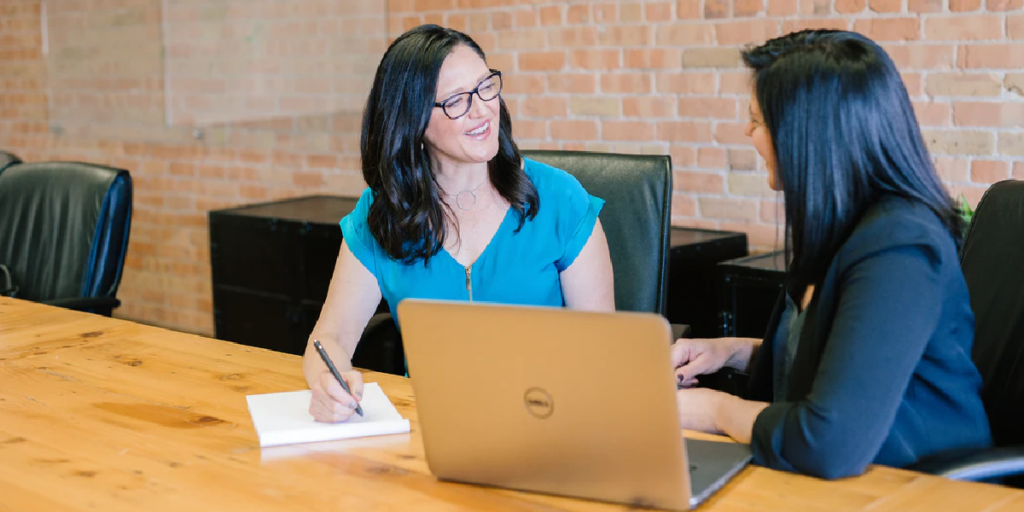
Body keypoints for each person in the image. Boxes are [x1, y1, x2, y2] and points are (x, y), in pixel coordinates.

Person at [670, 30, 992, 479]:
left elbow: (828, 442)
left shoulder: (900, 248)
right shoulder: (841, 226)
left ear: (807, 136)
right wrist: (731, 352)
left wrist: (716, 411)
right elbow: (836, 359)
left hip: (918, 485)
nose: (747, 132)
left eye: (757, 120)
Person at [302, 25, 615, 423]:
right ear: (413, 121)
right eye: (456, 101)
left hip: (549, 421)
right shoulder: (382, 214)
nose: (483, 109)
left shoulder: (560, 200)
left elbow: (603, 352)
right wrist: (328, 385)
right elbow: (329, 338)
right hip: (431, 428)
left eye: (486, 87)